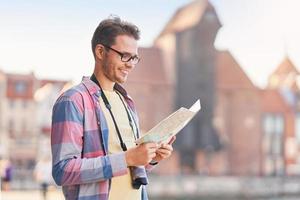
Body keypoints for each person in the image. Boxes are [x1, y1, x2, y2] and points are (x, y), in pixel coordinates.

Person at [51, 16, 175, 200]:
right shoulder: (72, 100)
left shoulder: (127, 102)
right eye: (125, 56)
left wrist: (151, 157)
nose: (130, 64)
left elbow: (129, 166)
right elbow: (63, 171)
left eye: (134, 58)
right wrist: (127, 158)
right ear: (100, 51)